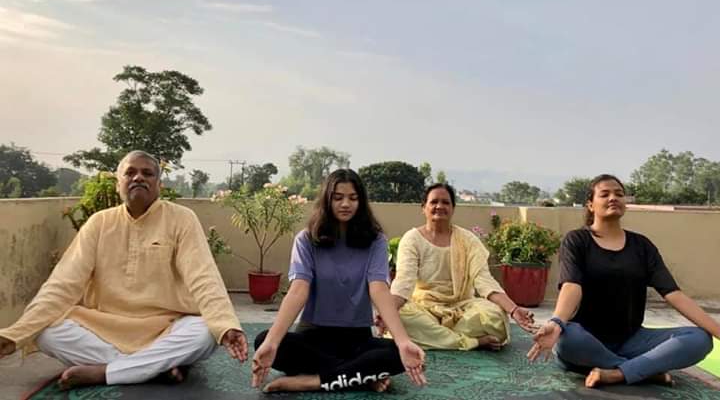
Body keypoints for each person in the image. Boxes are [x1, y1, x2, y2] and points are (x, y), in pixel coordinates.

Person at [0, 150, 247, 389]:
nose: (138, 177)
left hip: (166, 326)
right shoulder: (99, 223)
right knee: (46, 332)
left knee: (204, 332)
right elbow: (63, 283)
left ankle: (107, 371)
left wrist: (225, 325)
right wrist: (16, 333)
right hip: (105, 326)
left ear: (159, 184)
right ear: (119, 183)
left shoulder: (182, 219)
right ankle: (151, 369)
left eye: (147, 173)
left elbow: (203, 276)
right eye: (130, 173)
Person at [528, 174, 717, 388]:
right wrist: (557, 322)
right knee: (566, 339)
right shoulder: (577, 240)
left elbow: (674, 294)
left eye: (619, 194)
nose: (613, 198)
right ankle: (641, 371)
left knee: (700, 338)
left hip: (633, 340)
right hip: (588, 341)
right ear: (590, 204)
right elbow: (571, 286)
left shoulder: (642, 246)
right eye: (605, 194)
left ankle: (616, 373)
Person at [251, 169, 426, 393]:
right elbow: (298, 291)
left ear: (361, 202)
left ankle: (312, 381)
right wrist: (272, 343)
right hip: (314, 336)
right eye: (338, 198)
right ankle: (360, 376)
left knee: (399, 354)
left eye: (353, 198)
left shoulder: (376, 241)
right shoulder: (306, 239)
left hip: (357, 339)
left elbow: (379, 288)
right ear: (327, 200)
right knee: (263, 340)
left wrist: (402, 341)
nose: (346, 204)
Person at [382, 183, 536, 351]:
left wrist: (513, 310)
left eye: (445, 202)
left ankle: (439, 337)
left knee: (495, 316)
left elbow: (484, 281)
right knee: (401, 316)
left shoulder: (468, 240)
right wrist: (388, 312)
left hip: (462, 307)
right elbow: (404, 282)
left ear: (453, 208)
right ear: (423, 207)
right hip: (424, 308)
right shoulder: (412, 239)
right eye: (434, 202)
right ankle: (473, 341)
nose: (439, 206)